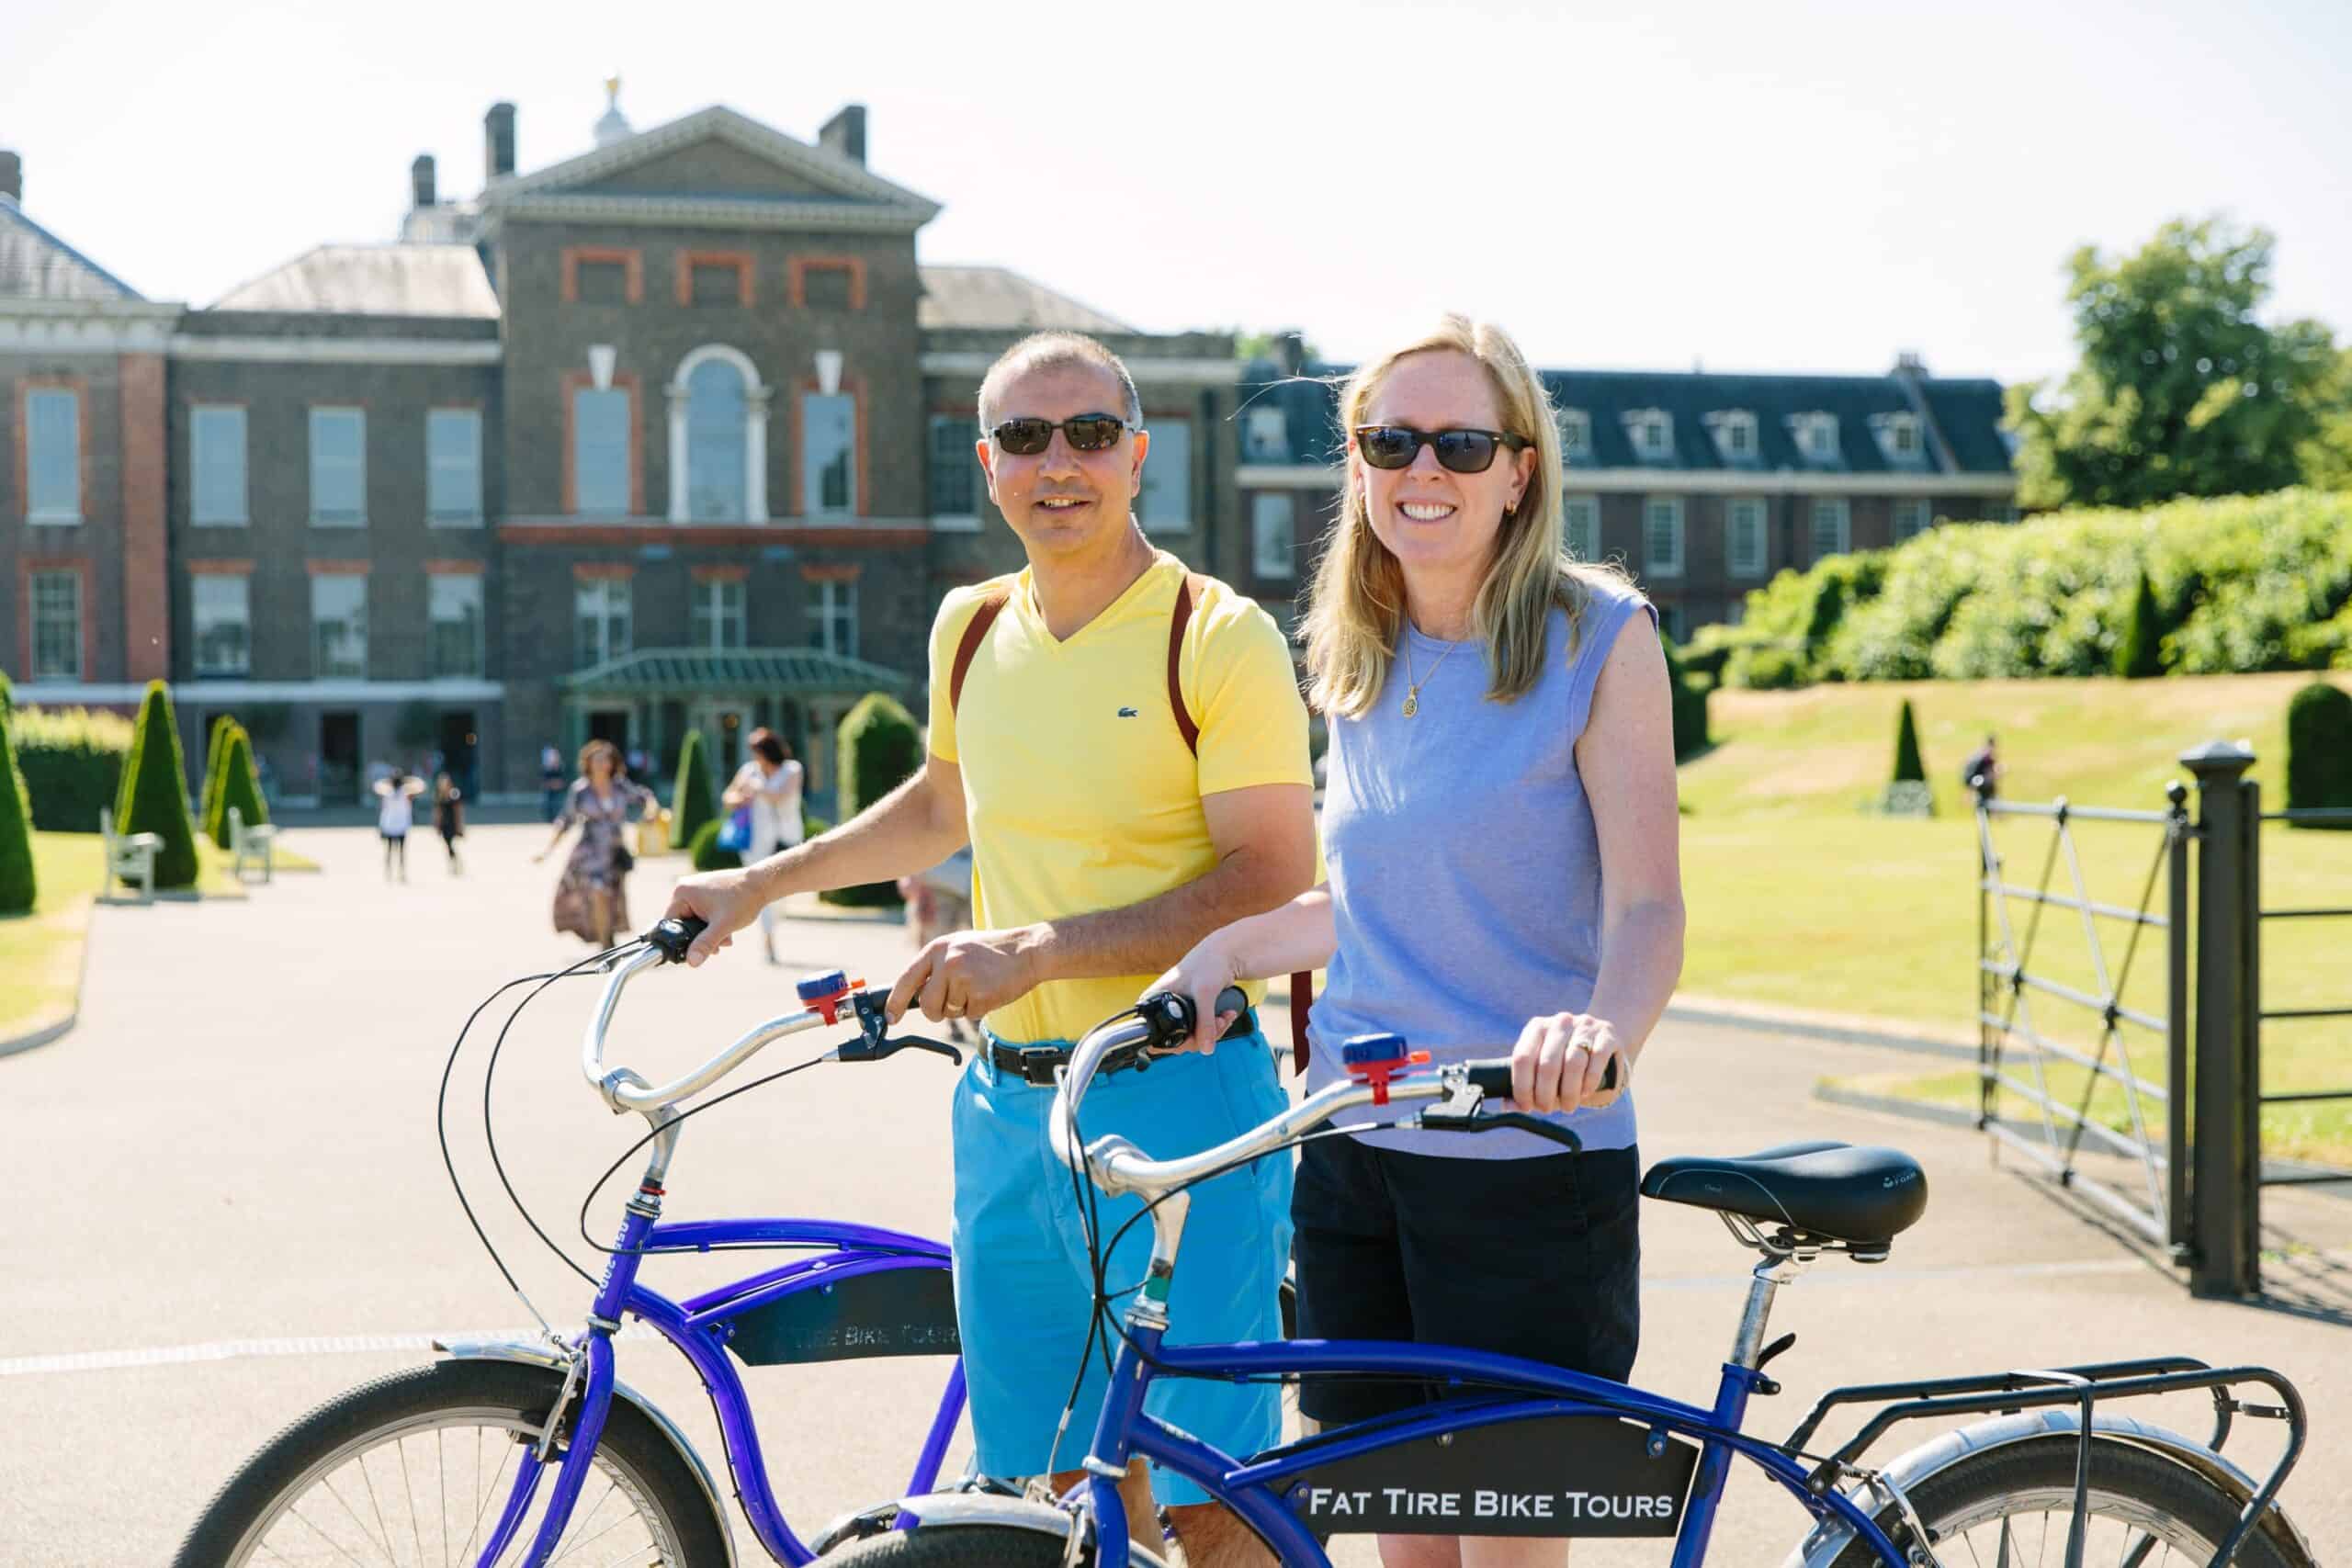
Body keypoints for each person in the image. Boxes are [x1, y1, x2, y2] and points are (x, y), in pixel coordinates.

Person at [665, 331, 1315, 1566]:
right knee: (1053, 1488)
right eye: (1025, 436)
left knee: (1206, 1498)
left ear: (1138, 455)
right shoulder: (970, 627)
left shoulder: (1215, 635)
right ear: (988, 463)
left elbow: (1273, 873)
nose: (1056, 460)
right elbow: (936, 806)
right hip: (1009, 1109)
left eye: (1086, 433)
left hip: (1184, 1102)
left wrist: (1039, 945)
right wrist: (757, 881)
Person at [1152, 315, 1685, 1568]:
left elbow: (1649, 903)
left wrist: (1604, 1027)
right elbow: (1385, 894)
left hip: (1524, 1156)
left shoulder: (1601, 638)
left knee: (1501, 1555)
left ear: (1520, 470)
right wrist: (1229, 947)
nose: (1422, 469)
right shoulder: (1357, 652)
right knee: (1401, 1545)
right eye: (1391, 439)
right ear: (1358, 464)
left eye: (1459, 441)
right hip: (1354, 1155)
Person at [536, 739, 658, 947]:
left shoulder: (619, 785)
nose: (602, 764)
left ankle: (607, 934)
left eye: (606, 760)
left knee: (612, 897)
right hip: (590, 853)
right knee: (597, 892)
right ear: (588, 763)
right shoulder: (581, 790)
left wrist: (651, 811)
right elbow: (565, 820)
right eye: (597, 760)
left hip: (615, 852)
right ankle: (605, 945)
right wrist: (546, 851)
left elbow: (645, 797)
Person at [719, 728, 807, 964]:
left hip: (785, 839)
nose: (755, 757)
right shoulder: (749, 771)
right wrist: (740, 799)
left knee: (779, 893)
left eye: (758, 752)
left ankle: (772, 927)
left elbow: (781, 796)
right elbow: (728, 797)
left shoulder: (792, 769)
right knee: (762, 891)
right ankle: (769, 941)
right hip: (755, 841)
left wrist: (757, 789)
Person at [372, 769, 424, 882]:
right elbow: (421, 785)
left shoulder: (387, 791)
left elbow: (376, 785)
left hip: (391, 825)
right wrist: (407, 780)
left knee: (390, 850)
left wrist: (389, 781)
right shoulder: (406, 792)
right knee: (400, 851)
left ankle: (391, 872)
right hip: (399, 825)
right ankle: (398, 872)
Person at [432, 772, 466, 875]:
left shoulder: (454, 794)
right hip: (444, 824)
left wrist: (460, 826)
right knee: (447, 844)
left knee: (450, 844)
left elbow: (458, 811)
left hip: (452, 823)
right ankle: (454, 863)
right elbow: (438, 812)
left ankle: (455, 863)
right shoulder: (439, 796)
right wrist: (437, 825)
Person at [1962, 732, 2002, 802]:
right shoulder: (1986, 755)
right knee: (1986, 784)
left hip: (1974, 779)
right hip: (1979, 781)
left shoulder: (1979, 752)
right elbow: (1992, 770)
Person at [539, 745, 567, 823]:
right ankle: (550, 819)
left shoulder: (561, 768)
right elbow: (545, 782)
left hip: (558, 791)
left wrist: (556, 784)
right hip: (550, 792)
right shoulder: (546, 770)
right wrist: (552, 784)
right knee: (548, 804)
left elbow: (562, 782)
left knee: (559, 804)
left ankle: (559, 818)